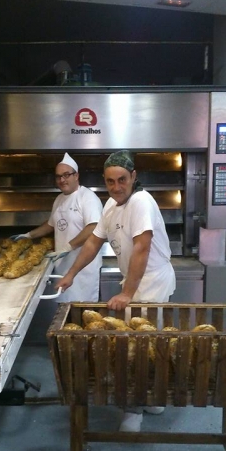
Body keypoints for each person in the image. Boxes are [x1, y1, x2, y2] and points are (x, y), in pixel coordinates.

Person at [57, 150, 176, 431]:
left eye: (122, 179)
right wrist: (70, 274)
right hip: (136, 281)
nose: (116, 186)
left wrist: (127, 293)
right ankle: (151, 398)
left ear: (133, 177)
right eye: (110, 181)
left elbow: (142, 248)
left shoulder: (141, 202)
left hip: (152, 281)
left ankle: (135, 409)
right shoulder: (110, 205)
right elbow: (93, 243)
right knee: (139, 345)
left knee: (140, 347)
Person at [12, 152, 103, 302]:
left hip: (83, 270)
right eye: (58, 176)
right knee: (63, 310)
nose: (62, 180)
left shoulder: (87, 197)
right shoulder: (59, 199)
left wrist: (68, 247)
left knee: (81, 311)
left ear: (76, 176)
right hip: (62, 266)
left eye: (66, 175)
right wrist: (29, 235)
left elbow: (93, 226)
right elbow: (51, 224)